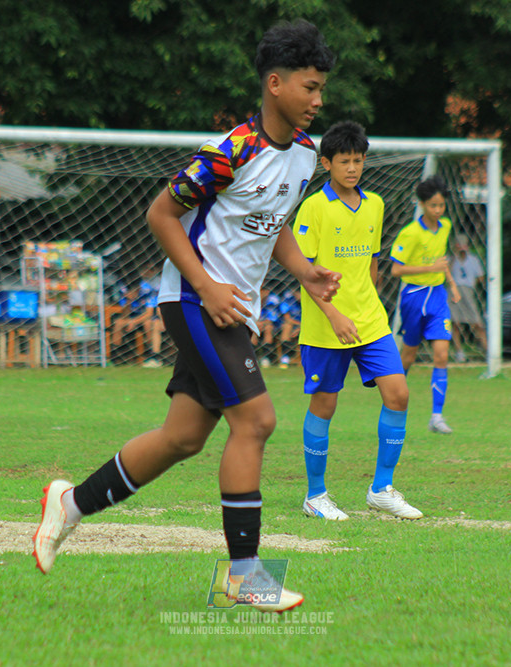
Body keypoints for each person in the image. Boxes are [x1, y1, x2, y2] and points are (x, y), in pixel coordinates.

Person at [32, 20, 339, 614]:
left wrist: (305, 271)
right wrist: (207, 286)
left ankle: (69, 505)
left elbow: (274, 226)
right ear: (275, 84)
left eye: (321, 88)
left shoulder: (305, 155)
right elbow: (161, 215)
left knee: (182, 438)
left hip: (231, 309)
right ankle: (244, 576)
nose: (318, 100)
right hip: (194, 301)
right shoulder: (230, 152)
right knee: (257, 421)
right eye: (309, 87)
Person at [292, 120, 421, 522]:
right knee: (325, 405)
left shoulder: (375, 205)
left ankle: (381, 489)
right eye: (344, 161)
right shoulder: (314, 207)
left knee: (398, 394)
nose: (352, 168)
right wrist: (333, 314)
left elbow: (372, 263)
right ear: (326, 163)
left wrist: (369, 305)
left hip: (370, 320)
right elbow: (304, 272)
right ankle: (315, 495)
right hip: (325, 324)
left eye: (358, 160)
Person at [390, 175, 461, 434]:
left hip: (438, 297)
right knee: (408, 355)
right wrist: (429, 268)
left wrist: (451, 283)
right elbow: (396, 270)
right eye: (433, 205)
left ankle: (437, 417)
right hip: (414, 296)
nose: (438, 210)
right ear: (422, 204)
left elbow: (441, 259)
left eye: (441, 205)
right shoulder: (410, 233)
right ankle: (392, 404)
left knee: (441, 354)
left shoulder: (445, 226)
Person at [447, 234, 487, 363]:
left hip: (468, 291)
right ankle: (459, 353)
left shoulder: (473, 260)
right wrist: (455, 256)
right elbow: (446, 274)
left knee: (477, 322)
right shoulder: (451, 259)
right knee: (455, 323)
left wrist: (471, 283)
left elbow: (480, 276)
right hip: (454, 292)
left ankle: (488, 351)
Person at [278, 287, 302, 366]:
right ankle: (285, 357)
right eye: (298, 293)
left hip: (303, 326)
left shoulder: (309, 302)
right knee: (287, 326)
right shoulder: (288, 301)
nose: (299, 295)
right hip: (293, 325)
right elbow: (287, 319)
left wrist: (300, 327)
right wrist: (299, 325)